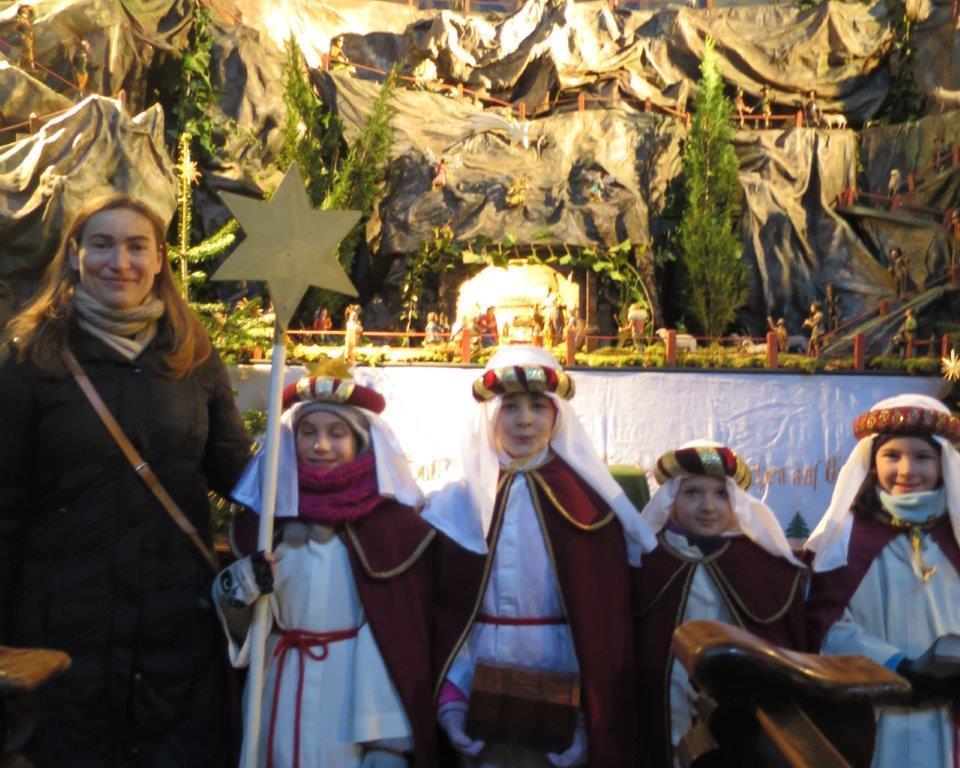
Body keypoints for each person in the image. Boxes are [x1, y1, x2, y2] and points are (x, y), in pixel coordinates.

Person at [0, 193, 251, 766]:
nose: (120, 262)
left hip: (174, 627)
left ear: (159, 259)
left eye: (137, 247)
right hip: (62, 626)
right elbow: (4, 504)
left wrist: (323, 464)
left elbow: (237, 472)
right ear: (75, 255)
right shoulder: (31, 358)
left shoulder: (192, 354)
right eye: (102, 245)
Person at [425, 346, 653, 767]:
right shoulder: (456, 506)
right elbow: (445, 612)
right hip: (478, 685)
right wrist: (452, 698)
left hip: (563, 681)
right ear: (489, 415)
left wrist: (586, 712)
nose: (525, 420)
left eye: (538, 406)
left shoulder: (590, 509)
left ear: (558, 415)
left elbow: (604, 625)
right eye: (510, 406)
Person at [216, 372, 438, 767]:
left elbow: (394, 638)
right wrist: (239, 591)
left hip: (349, 699)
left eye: (337, 433)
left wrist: (386, 742)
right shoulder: (266, 521)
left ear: (360, 441)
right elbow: (242, 628)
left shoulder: (389, 527)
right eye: (308, 432)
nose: (321, 445)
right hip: (276, 686)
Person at [805, 394, 960, 768]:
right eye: (892, 455)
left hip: (949, 709)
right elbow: (824, 622)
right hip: (872, 707)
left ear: (942, 463)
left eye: (922, 457)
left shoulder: (955, 534)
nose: (907, 470)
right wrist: (895, 666)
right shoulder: (845, 537)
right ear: (872, 462)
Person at [633, 441, 807, 768]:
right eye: (692, 493)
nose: (708, 507)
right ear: (670, 498)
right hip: (663, 712)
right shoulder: (646, 562)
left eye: (721, 494)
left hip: (738, 716)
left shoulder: (764, 566)